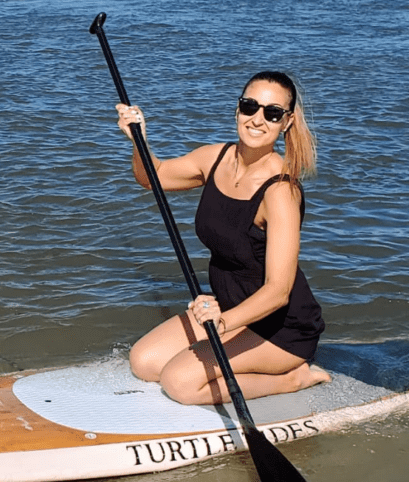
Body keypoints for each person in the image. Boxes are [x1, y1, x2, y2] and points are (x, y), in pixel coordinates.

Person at [116, 71, 331, 406]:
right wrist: (138, 141)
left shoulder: (280, 193)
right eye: (250, 106)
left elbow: (279, 290)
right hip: (227, 306)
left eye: (272, 113)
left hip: (279, 328)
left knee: (179, 382)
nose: (258, 119)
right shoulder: (214, 158)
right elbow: (153, 177)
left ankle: (292, 378)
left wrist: (224, 322)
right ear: (237, 109)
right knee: (145, 361)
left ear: (286, 122)